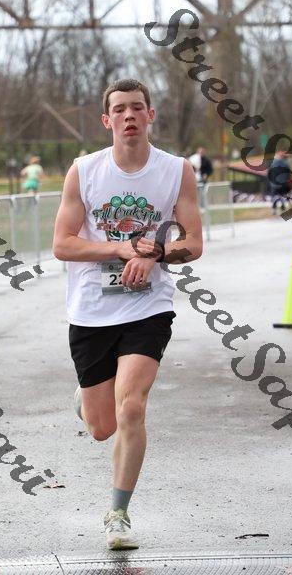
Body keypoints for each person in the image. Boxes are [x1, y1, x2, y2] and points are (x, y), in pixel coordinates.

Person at [53, 79, 203, 550]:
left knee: (132, 406)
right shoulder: (84, 171)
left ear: (150, 115)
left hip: (147, 306)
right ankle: (87, 400)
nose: (129, 115)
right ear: (107, 120)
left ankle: (118, 514)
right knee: (103, 428)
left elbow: (193, 243)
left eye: (137, 107)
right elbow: (62, 244)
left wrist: (154, 253)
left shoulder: (176, 170)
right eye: (119, 109)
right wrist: (120, 248)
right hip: (92, 309)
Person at [267, 149, 292, 214]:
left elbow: (269, 174)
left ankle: (274, 208)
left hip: (274, 184)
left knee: (275, 196)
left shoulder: (272, 164)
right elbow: (289, 174)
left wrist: (271, 182)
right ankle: (283, 207)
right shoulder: (286, 164)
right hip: (283, 184)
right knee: (283, 195)